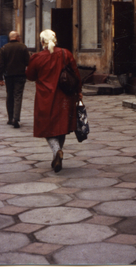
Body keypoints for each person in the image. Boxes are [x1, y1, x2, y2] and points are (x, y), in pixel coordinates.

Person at [26, 29, 82, 173]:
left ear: (42, 41)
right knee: (61, 125)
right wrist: (79, 91)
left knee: (46, 126)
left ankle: (57, 151)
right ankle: (57, 153)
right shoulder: (65, 53)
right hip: (65, 96)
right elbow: (76, 74)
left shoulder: (37, 57)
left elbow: (30, 76)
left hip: (45, 97)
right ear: (55, 40)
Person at [0, 31, 30, 128]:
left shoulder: (4, 48)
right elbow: (28, 62)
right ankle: (16, 118)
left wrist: (0, 77)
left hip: (8, 76)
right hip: (20, 75)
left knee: (9, 96)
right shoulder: (23, 47)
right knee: (18, 96)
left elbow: (1, 64)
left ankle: (10, 118)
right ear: (17, 37)